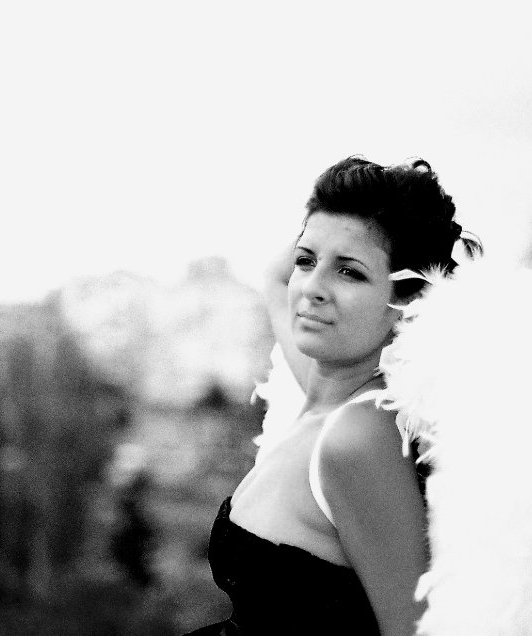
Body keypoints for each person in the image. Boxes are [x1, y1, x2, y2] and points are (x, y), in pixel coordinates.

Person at [187, 155, 479, 636]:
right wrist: (350, 207)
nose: (312, 289)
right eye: (307, 261)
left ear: (407, 302)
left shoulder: (355, 439)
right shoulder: (325, 393)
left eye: (350, 273)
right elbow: (275, 277)